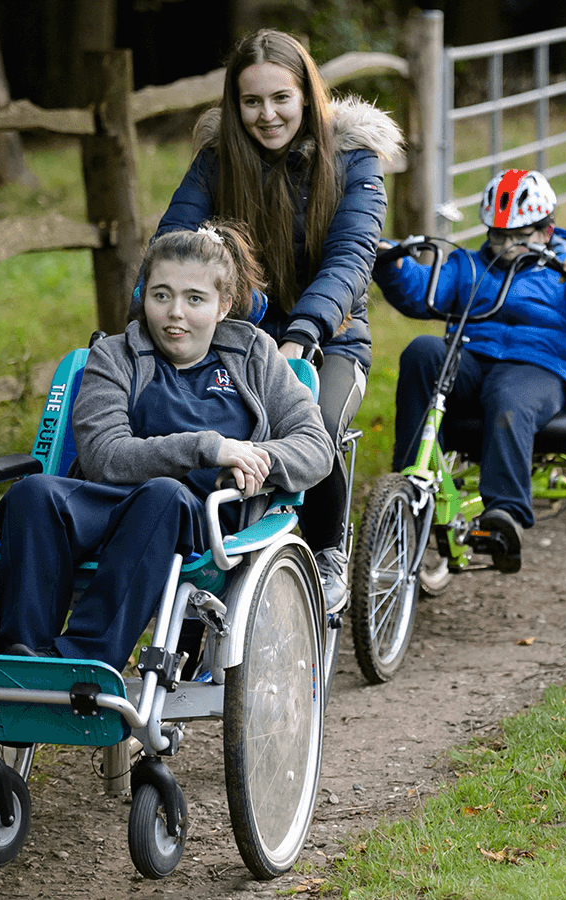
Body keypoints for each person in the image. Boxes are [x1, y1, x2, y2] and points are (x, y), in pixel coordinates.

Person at [0, 224, 332, 667]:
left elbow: (316, 446)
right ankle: (23, 657)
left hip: (201, 519)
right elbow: (103, 455)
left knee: (163, 495)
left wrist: (259, 457)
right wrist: (206, 447)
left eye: (195, 299)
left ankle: (83, 658)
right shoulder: (115, 356)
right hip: (111, 500)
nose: (175, 313)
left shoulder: (254, 356)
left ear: (223, 305)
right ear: (143, 295)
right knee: (32, 493)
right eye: (161, 295)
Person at [154, 28, 403, 611]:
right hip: (238, 338)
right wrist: (156, 301)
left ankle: (326, 548)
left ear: (307, 96)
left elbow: (350, 260)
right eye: (251, 102)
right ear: (234, 106)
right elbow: (174, 241)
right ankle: (205, 553)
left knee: (312, 420)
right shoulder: (217, 163)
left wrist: (303, 334)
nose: (267, 115)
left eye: (280, 99)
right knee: (195, 425)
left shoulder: (353, 162)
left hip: (330, 336)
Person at [375, 169, 566, 573]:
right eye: (497, 236)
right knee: (423, 350)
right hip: (473, 359)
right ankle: (412, 485)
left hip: (540, 368)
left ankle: (505, 514)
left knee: (508, 397)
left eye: (518, 236)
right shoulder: (469, 267)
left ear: (546, 231)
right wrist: (392, 264)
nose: (506, 246)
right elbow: (423, 293)